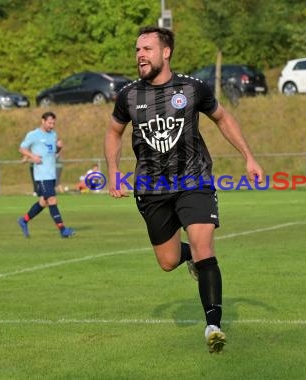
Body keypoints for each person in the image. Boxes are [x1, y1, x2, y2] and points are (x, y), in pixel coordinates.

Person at [104, 26, 264, 353]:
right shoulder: (129, 95)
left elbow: (223, 118)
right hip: (151, 187)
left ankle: (213, 325)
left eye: (147, 49)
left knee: (204, 246)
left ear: (166, 52)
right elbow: (113, 131)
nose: (140, 55)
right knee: (168, 260)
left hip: (194, 179)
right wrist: (113, 171)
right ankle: (189, 258)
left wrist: (249, 157)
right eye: (137, 50)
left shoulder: (192, 88)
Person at [17, 112, 75, 238]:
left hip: (51, 174)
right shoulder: (33, 135)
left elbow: (53, 153)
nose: (52, 125)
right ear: (42, 121)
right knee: (52, 200)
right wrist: (32, 156)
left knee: (43, 202)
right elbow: (22, 148)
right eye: (49, 123)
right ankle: (63, 230)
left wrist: (59, 148)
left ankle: (24, 220)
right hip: (41, 175)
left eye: (54, 123)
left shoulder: (53, 135)